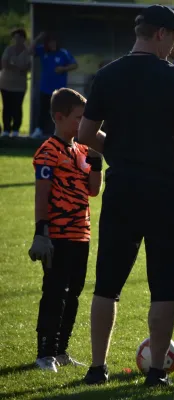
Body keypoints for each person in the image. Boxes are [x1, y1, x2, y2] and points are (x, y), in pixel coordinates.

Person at [76, 5, 174, 387]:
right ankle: (155, 375)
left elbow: (84, 135)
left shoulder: (106, 75)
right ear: (162, 33)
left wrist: (117, 151)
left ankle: (97, 367)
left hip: (122, 189)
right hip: (166, 190)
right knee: (164, 285)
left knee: (107, 284)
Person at [28, 88, 103, 372]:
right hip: (57, 235)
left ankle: (61, 351)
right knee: (55, 293)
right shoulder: (48, 150)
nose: (83, 125)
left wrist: (96, 160)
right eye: (78, 118)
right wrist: (40, 231)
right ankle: (44, 353)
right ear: (59, 117)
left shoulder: (83, 150)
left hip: (81, 234)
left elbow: (93, 190)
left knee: (74, 293)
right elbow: (41, 194)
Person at [29, 32, 78, 138]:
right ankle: (39, 130)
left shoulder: (63, 53)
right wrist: (37, 39)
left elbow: (74, 65)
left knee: (59, 110)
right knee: (43, 110)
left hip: (59, 89)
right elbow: (30, 51)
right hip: (45, 87)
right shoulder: (42, 51)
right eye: (50, 43)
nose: (52, 45)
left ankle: (59, 131)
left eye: (54, 42)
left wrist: (63, 68)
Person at [0, 28, 31, 138]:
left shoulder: (27, 52)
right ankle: (6, 129)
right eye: (15, 38)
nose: (16, 40)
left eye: (19, 38)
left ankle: (16, 129)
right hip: (5, 84)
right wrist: (18, 67)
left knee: (17, 107)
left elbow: (26, 67)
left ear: (23, 39)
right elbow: (4, 64)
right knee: (6, 107)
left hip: (20, 86)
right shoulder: (9, 49)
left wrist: (13, 65)